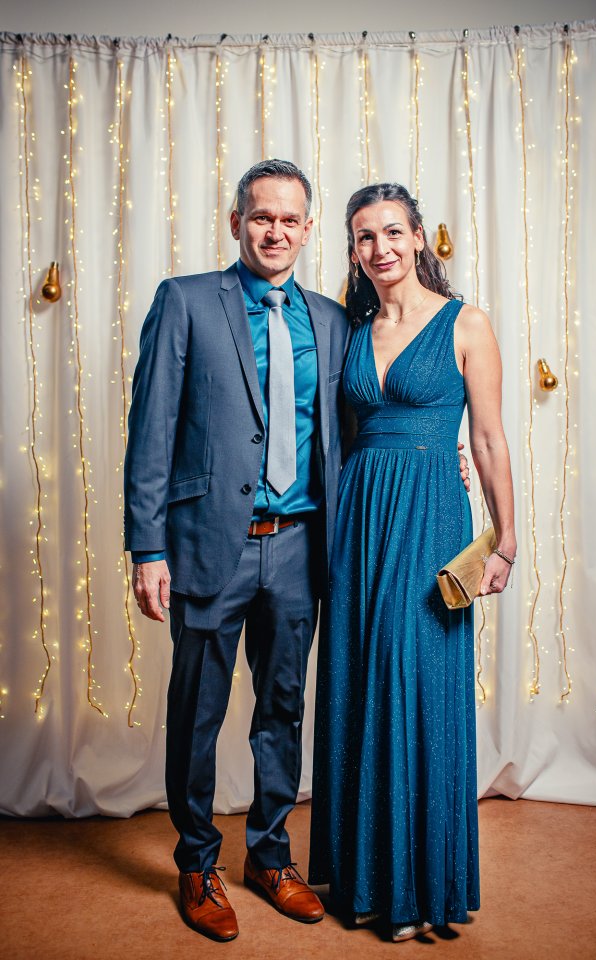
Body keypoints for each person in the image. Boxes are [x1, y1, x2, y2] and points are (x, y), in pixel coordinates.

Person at [124, 159, 351, 941]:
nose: (275, 231)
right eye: (261, 217)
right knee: (198, 711)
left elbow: (354, 427)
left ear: (308, 229)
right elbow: (151, 430)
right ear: (236, 223)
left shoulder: (332, 320)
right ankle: (197, 864)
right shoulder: (186, 301)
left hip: (300, 548)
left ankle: (271, 857)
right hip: (206, 548)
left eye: (289, 219)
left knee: (282, 708)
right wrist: (147, 548)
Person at [309, 183, 516, 943]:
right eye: (365, 237)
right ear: (353, 249)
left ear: (419, 237)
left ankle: (420, 887)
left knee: (415, 680)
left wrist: (506, 539)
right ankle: (365, 882)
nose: (381, 248)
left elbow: (487, 438)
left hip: (431, 516)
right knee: (357, 678)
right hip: (360, 519)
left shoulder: (466, 322)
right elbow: (335, 435)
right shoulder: (349, 329)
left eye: (393, 232)